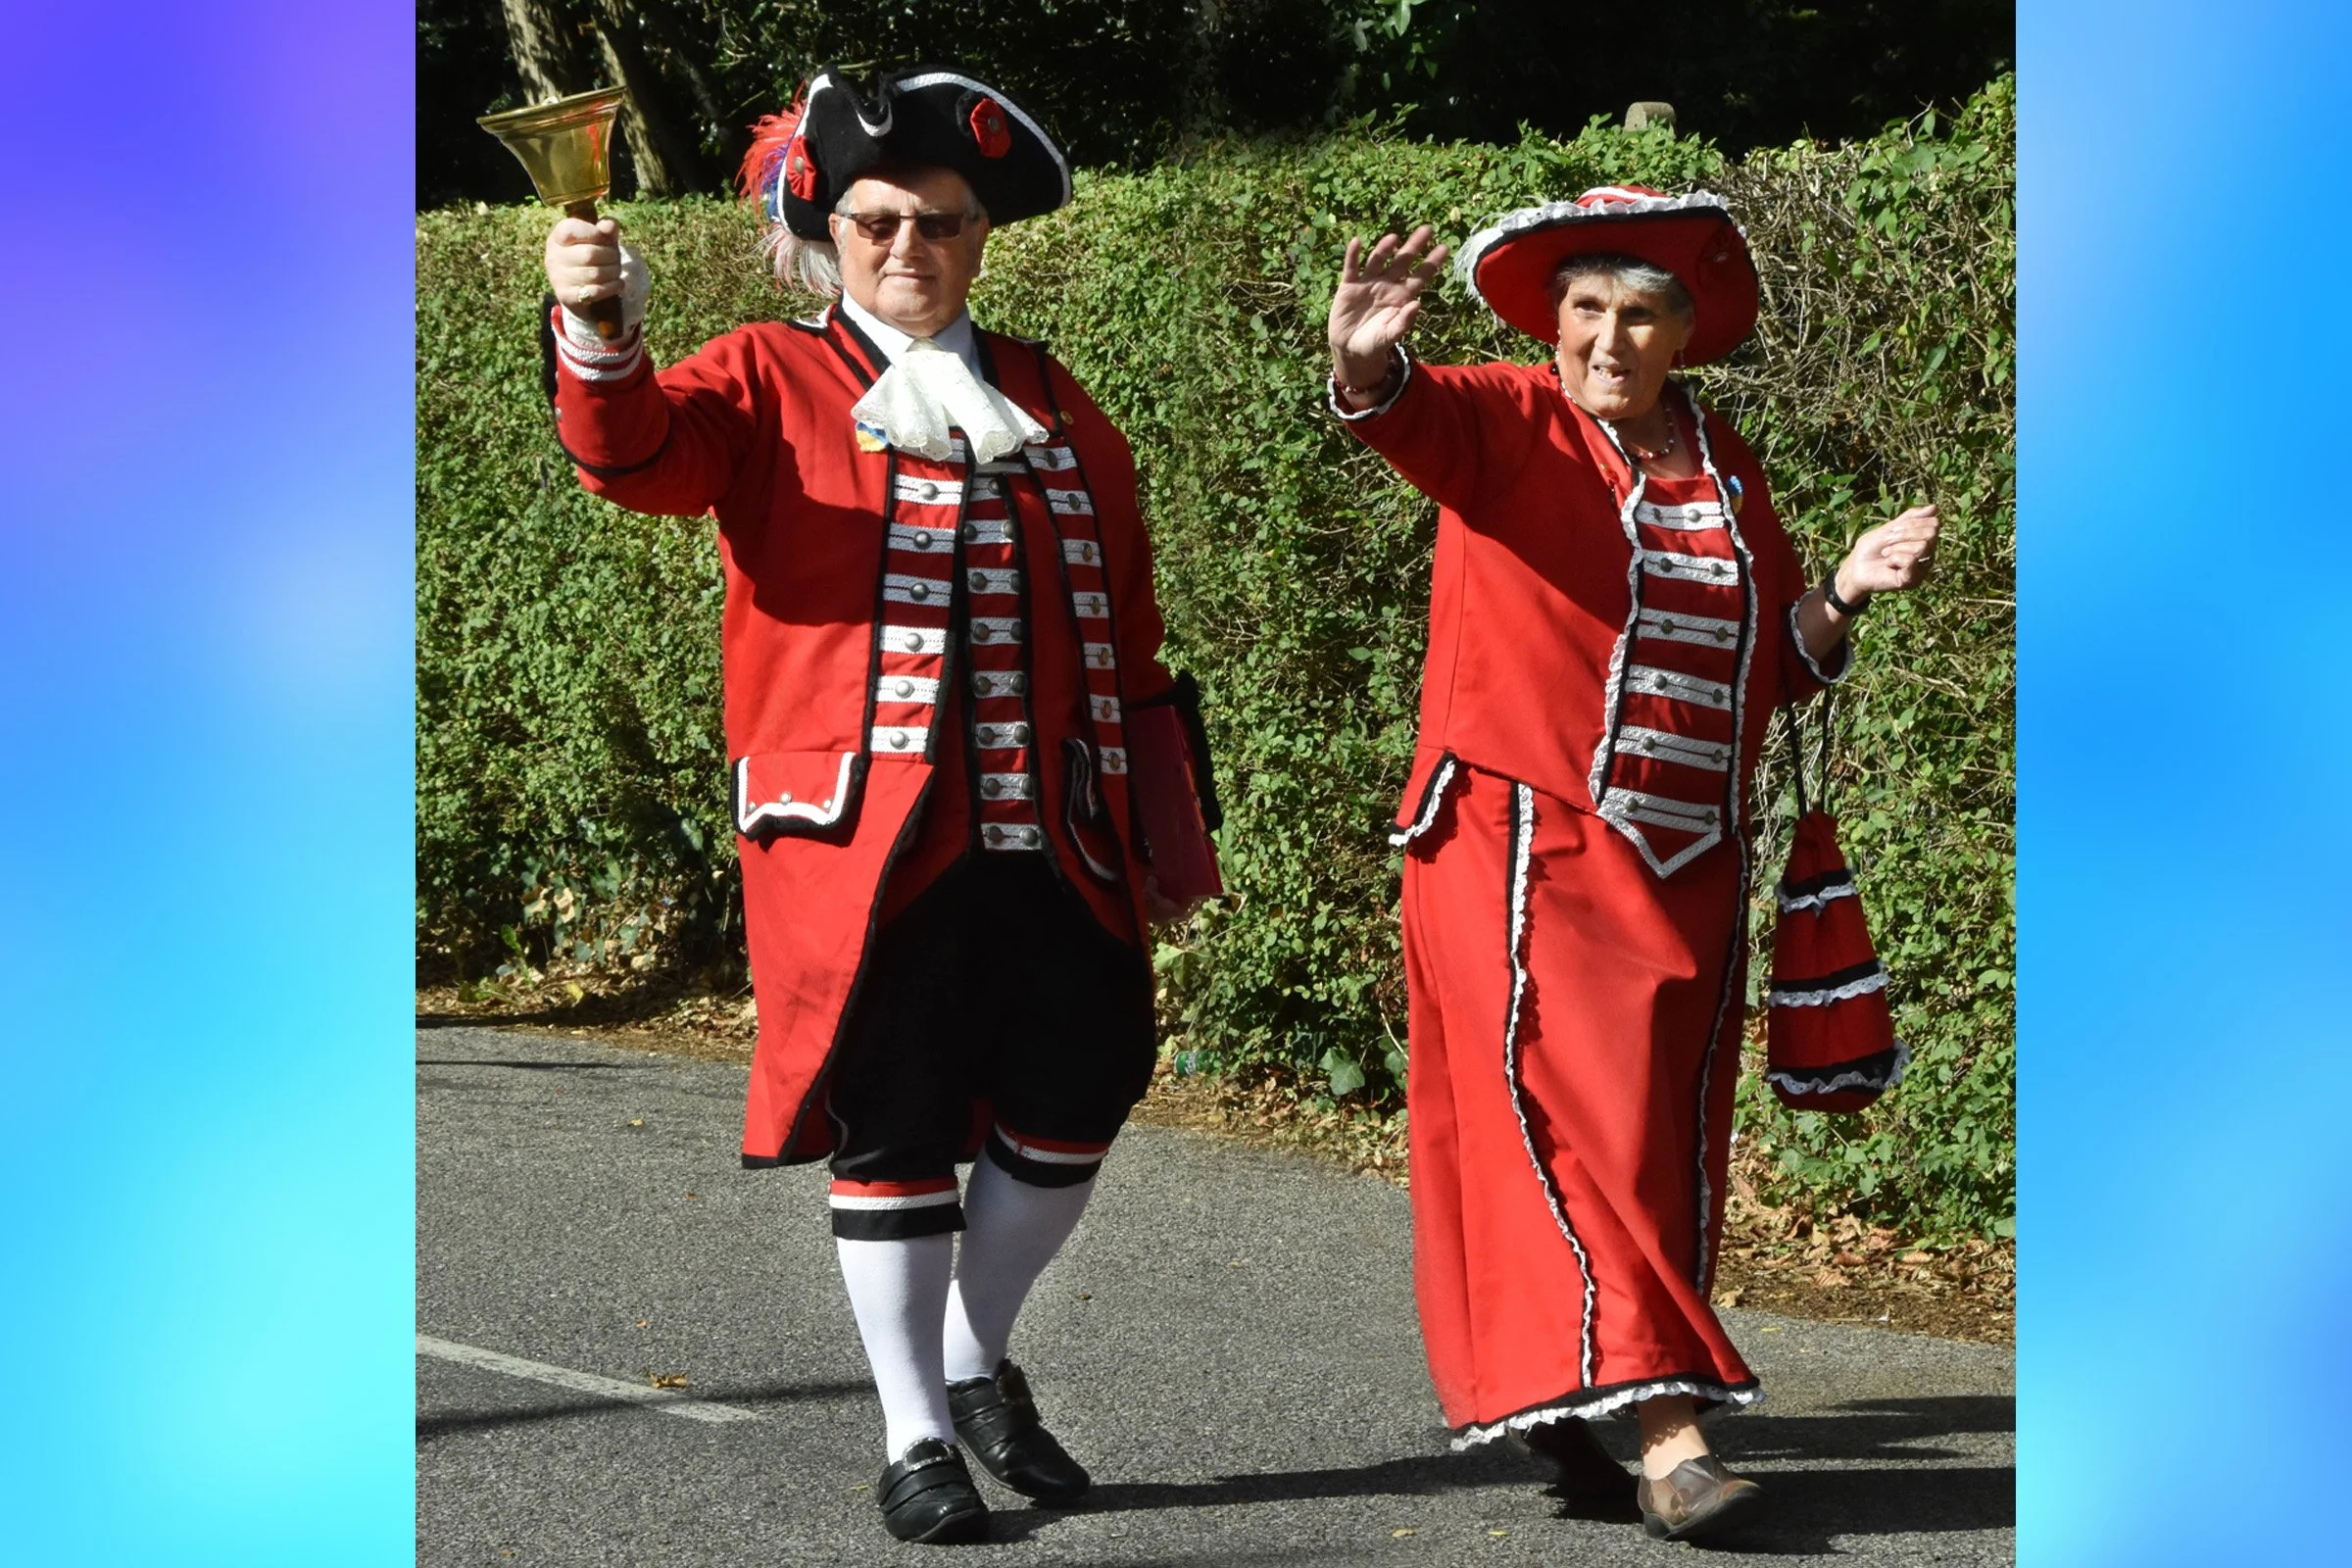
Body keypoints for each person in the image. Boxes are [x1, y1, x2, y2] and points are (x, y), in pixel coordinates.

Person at [539, 65, 1212, 1546]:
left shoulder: (1046, 390)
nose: (910, 249)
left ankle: (974, 1356)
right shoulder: (762, 378)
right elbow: (632, 455)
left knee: (1085, 1087)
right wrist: (598, 326)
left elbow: (1133, 620)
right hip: (860, 843)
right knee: (895, 1123)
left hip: (1057, 829)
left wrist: (1167, 822)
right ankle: (915, 1435)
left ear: (982, 237)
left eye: (943, 224)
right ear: (826, 230)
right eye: (878, 222)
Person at [1324, 186, 1936, 1543]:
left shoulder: (1725, 463)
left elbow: (1774, 670)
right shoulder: (1500, 416)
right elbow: (1399, 420)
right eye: (1587, 310)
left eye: (1641, 312)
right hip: (1518, 844)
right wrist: (1367, 360)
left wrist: (1841, 591)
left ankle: (1563, 1403)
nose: (1611, 337)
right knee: (1568, 1129)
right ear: (1552, 325)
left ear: (1685, 331)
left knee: (1654, 1152)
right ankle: (1670, 1435)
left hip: (1686, 869)